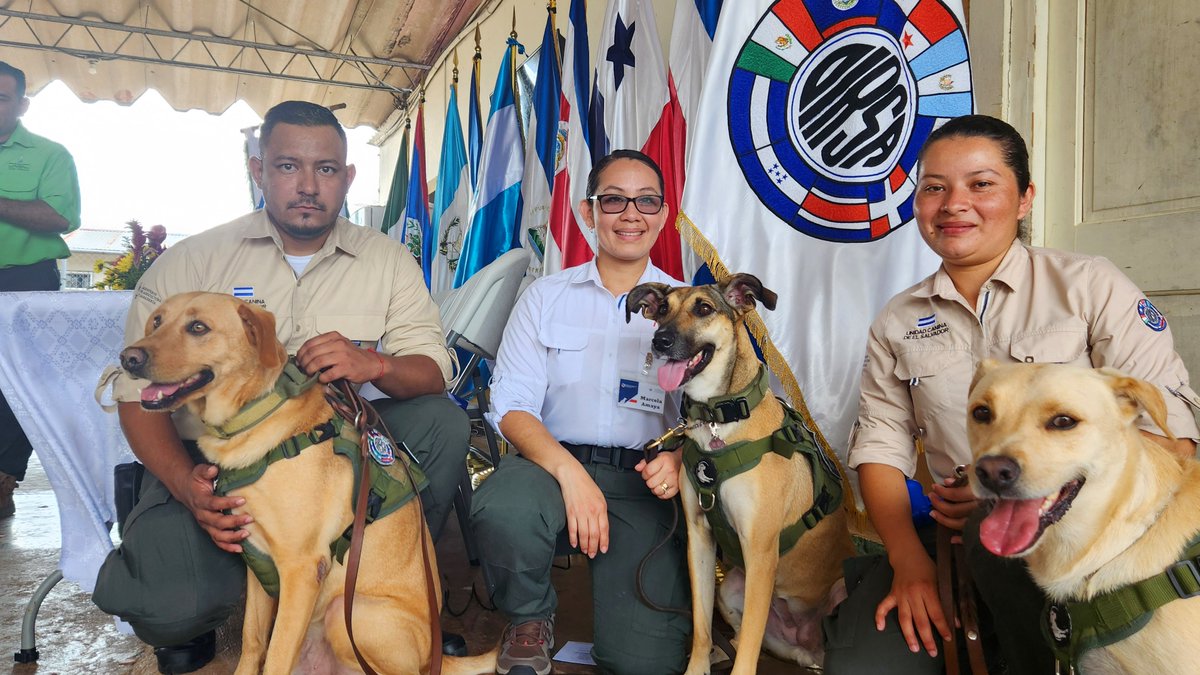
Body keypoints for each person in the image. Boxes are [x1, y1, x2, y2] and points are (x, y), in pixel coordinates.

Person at [93, 100, 469, 674]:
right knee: (168, 606)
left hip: (339, 453)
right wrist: (185, 485)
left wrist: (374, 365)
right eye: (289, 166)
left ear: (346, 178)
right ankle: (223, 596)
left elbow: (435, 370)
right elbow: (135, 396)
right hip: (210, 458)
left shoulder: (389, 260)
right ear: (258, 171)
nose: (308, 185)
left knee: (442, 421)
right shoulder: (192, 263)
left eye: (326, 169)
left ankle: (379, 584)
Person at [823, 114, 1200, 674]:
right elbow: (879, 451)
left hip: (1095, 533)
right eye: (934, 188)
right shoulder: (898, 320)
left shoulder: (1090, 285)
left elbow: (1171, 441)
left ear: (1024, 198)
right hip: (949, 538)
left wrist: (1018, 491)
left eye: (981, 184)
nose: (954, 204)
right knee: (864, 664)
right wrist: (908, 564)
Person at [470, 149, 691, 675]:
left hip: (645, 480)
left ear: (664, 214)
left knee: (645, 663)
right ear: (588, 212)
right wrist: (570, 474)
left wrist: (681, 457)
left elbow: (719, 412)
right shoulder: (545, 297)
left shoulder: (692, 306)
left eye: (646, 201)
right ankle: (529, 617)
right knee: (504, 507)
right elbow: (512, 406)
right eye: (614, 200)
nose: (630, 214)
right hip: (550, 465)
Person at [0, 60, 81, 519]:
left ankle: (4, 476)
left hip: (25, 281)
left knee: (20, 386)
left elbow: (60, 217)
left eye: (1, 97)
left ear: (22, 104)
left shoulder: (50, 154)